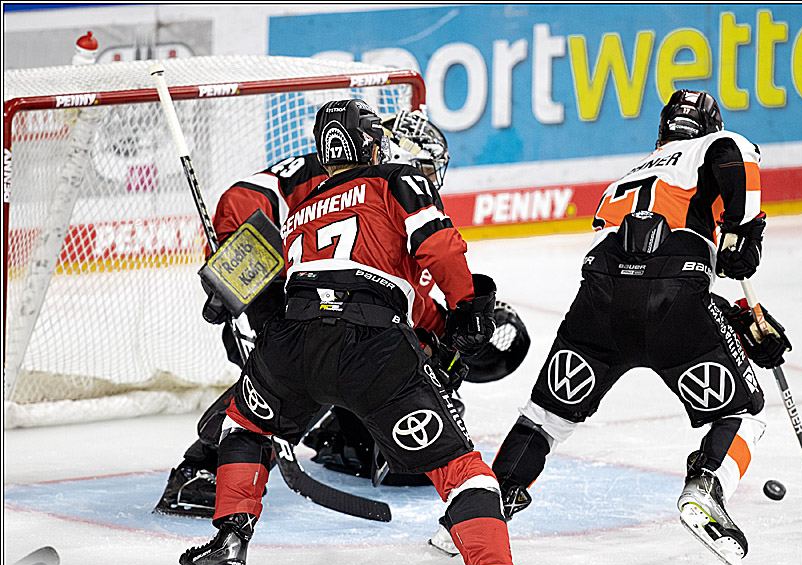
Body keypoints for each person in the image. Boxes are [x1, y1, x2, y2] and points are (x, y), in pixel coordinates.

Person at [170, 99, 564, 565]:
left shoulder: (306, 200)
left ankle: (227, 541)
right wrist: (470, 306)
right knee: (460, 466)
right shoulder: (396, 180)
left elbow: (261, 259)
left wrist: (245, 301)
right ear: (377, 145)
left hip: (293, 341)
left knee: (246, 426)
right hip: (372, 348)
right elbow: (438, 249)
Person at [449, 90, 791, 565]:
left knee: (545, 417)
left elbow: (641, 261)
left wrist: (735, 318)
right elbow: (734, 158)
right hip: (674, 301)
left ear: (662, 131)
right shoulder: (714, 148)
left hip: (599, 305)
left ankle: (486, 505)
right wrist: (742, 232)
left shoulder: (630, 177)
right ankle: (707, 488)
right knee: (745, 413)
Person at [154, 109, 530, 512]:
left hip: (298, 265)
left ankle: (344, 434)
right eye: (423, 166)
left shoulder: (368, 180)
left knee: (339, 345)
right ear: (389, 153)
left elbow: (399, 297)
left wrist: (439, 337)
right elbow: (242, 200)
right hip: (263, 249)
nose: (430, 177)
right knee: (300, 355)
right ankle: (202, 467)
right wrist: (234, 269)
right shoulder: (365, 183)